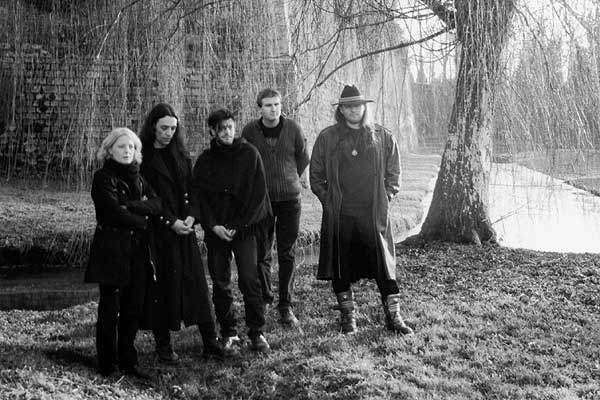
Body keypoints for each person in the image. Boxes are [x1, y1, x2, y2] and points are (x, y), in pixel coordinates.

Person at [309, 85, 414, 335]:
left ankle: (394, 317)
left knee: (384, 267)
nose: (354, 110)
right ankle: (348, 318)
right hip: (341, 214)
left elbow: (394, 174)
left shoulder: (382, 136)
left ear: (364, 107)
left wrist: (385, 197)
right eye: (348, 106)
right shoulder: (328, 137)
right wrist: (329, 201)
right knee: (341, 266)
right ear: (341, 110)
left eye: (357, 105)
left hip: (372, 214)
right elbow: (316, 176)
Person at [138, 103, 226, 361]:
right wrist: (170, 221)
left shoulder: (181, 154)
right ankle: (164, 346)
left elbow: (193, 189)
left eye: (173, 128)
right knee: (161, 288)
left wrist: (191, 215)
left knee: (197, 285)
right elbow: (147, 197)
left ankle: (210, 341)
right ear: (153, 127)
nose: (168, 133)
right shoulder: (143, 158)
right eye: (164, 128)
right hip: (159, 231)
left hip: (185, 228)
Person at [192, 108, 272, 353]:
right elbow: (199, 198)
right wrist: (213, 225)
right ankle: (229, 332)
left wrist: (239, 225)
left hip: (244, 229)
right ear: (212, 131)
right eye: (221, 129)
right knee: (220, 282)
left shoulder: (250, 154)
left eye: (230, 127)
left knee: (249, 279)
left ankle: (257, 331)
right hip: (217, 231)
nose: (227, 132)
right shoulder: (205, 160)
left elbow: (259, 194)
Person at [85, 127, 162, 379]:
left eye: (131, 147)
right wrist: (141, 220)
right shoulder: (103, 178)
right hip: (112, 251)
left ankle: (129, 361)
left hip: (137, 251)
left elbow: (157, 203)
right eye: (121, 146)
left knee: (133, 308)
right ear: (110, 150)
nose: (127, 151)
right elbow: (112, 212)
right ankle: (108, 364)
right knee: (110, 309)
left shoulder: (138, 177)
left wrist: (130, 205)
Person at [241, 88, 310, 326]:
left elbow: (303, 157)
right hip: (263, 202)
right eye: (268, 105)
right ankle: (265, 297)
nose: (274, 109)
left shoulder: (293, 129)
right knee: (262, 252)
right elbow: (246, 161)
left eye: (277, 104)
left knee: (287, 252)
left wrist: (290, 177)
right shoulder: (250, 131)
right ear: (260, 108)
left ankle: (285, 305)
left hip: (290, 200)